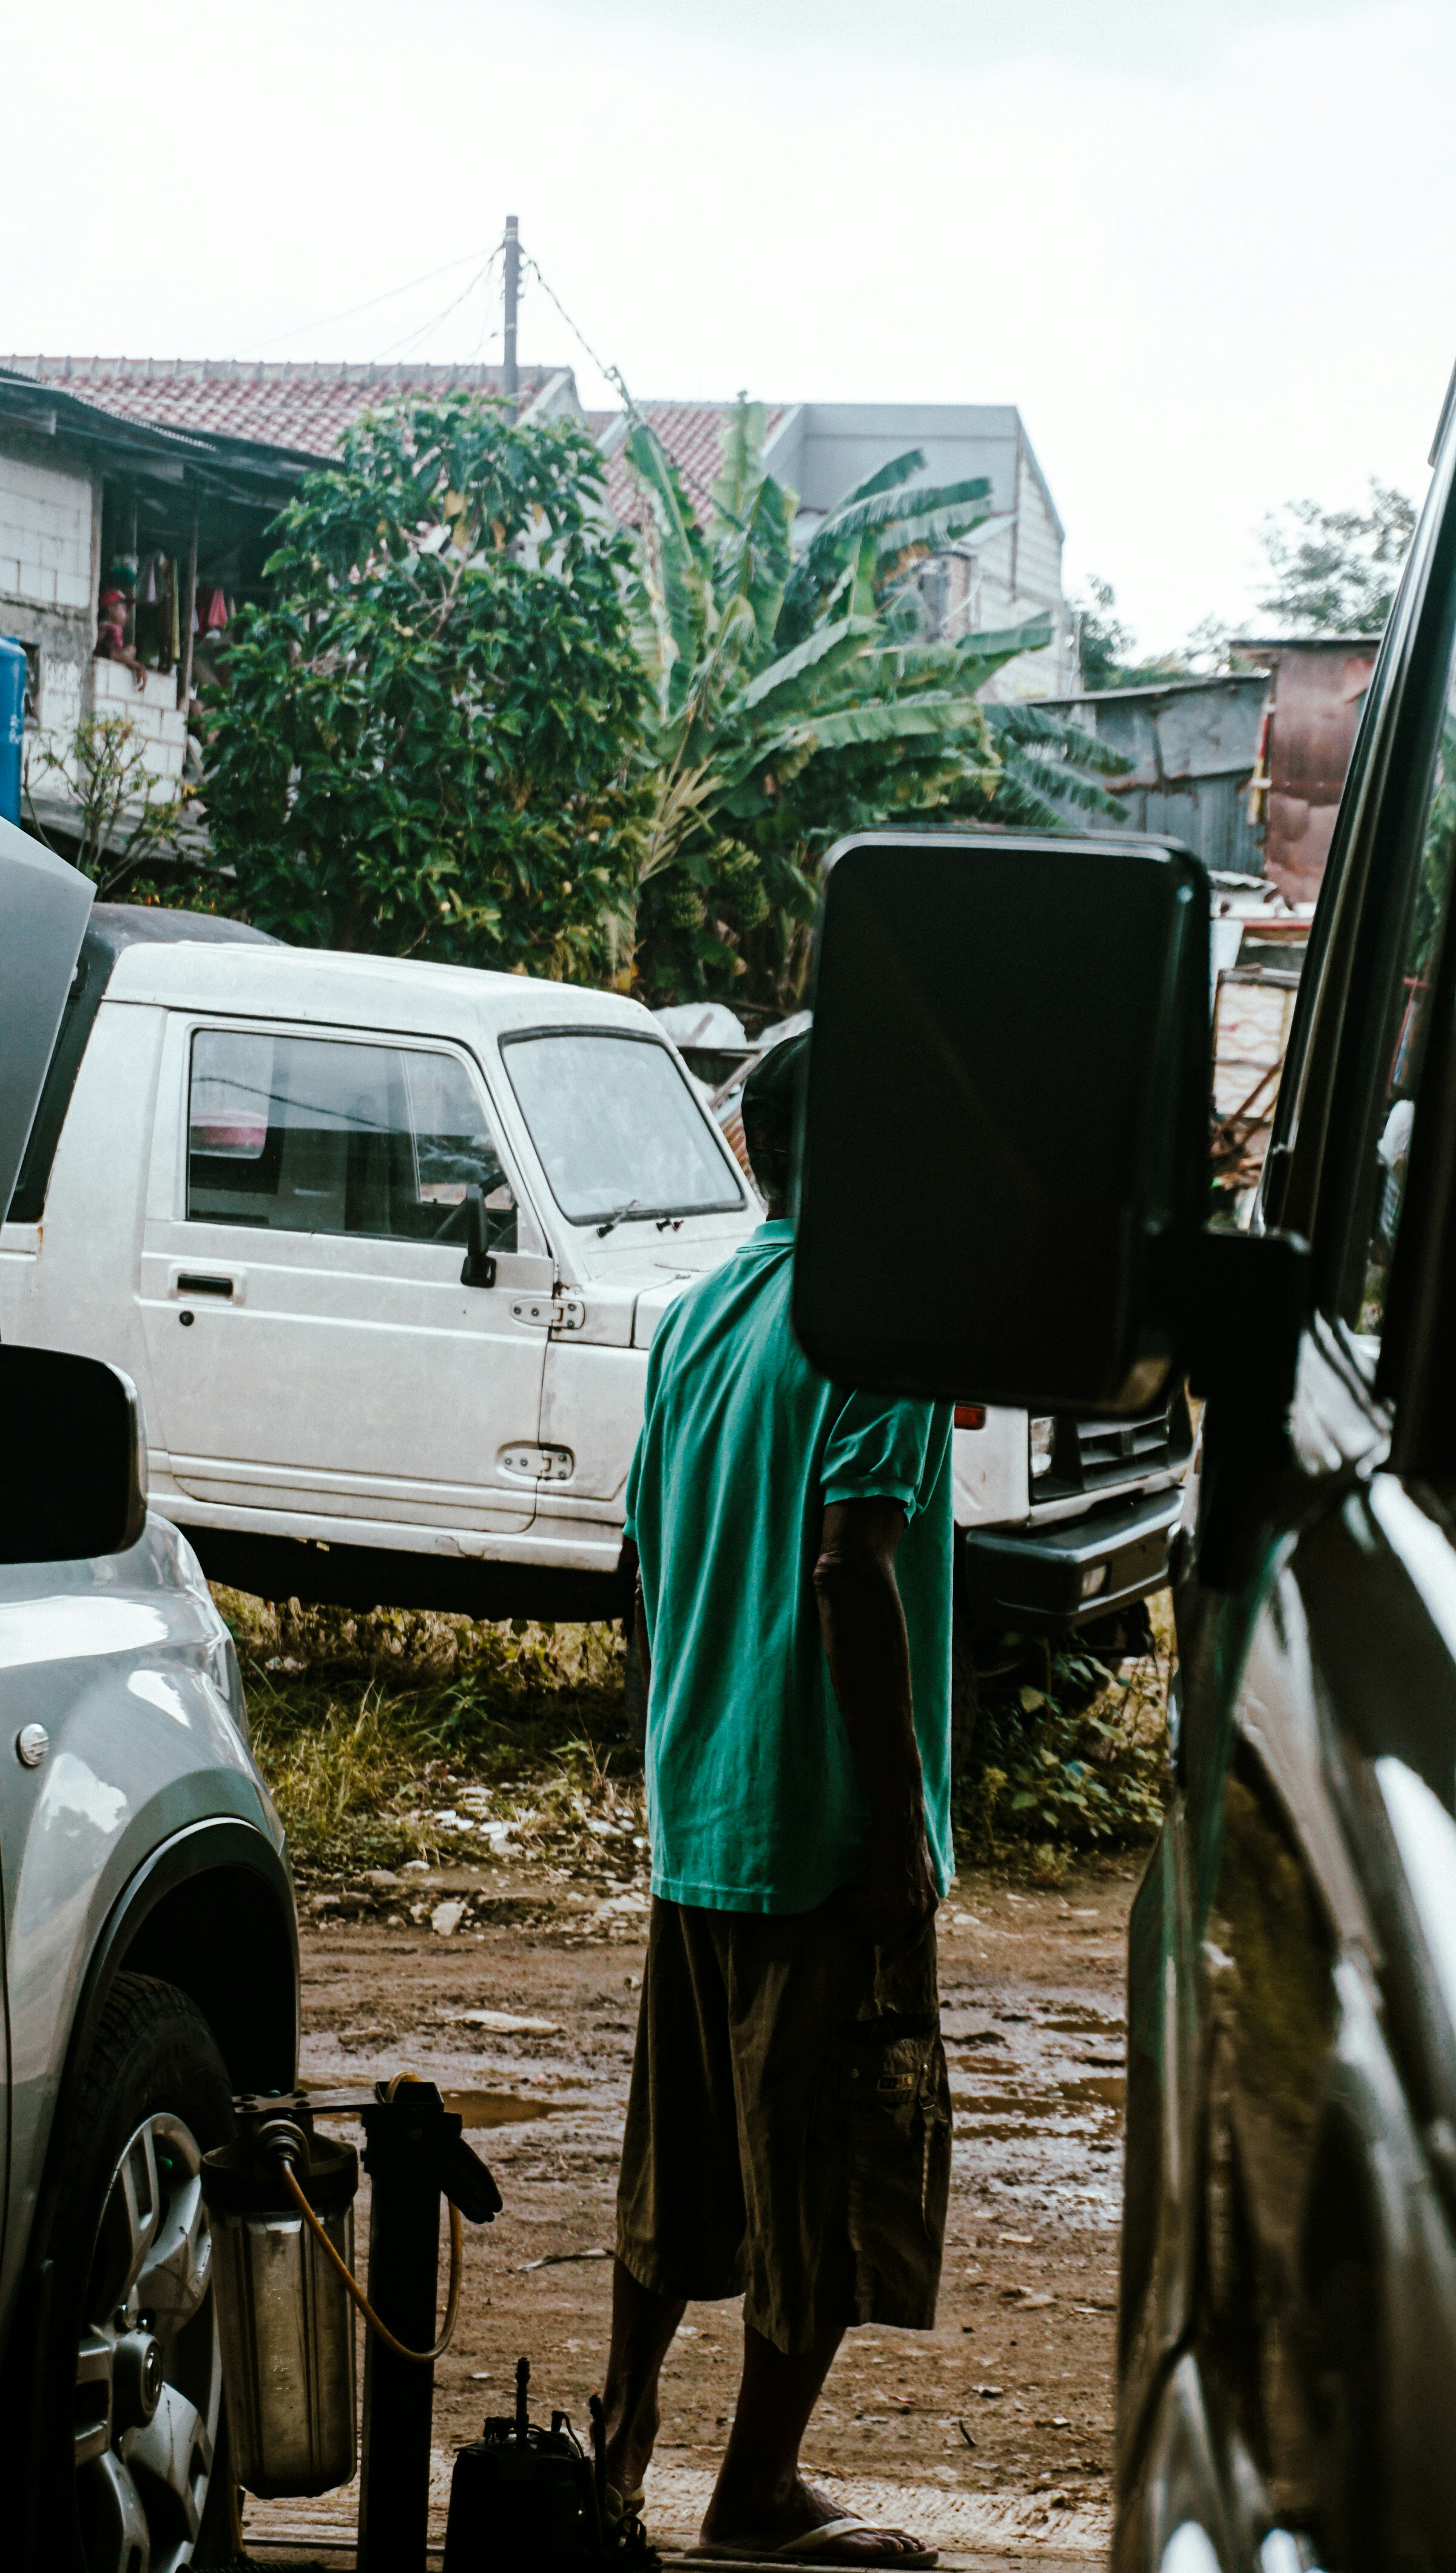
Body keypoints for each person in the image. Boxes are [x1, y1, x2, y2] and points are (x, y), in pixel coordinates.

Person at [601, 1030, 956, 2569]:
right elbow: (851, 1566)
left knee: (674, 2172)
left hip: (703, 1816)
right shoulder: (878, 1323)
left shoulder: (692, 1321)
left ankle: (613, 2453)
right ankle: (752, 2492)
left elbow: (637, 1571)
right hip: (816, 1835)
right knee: (823, 2170)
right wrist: (894, 1831)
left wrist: (677, 1752)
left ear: (752, 1152)